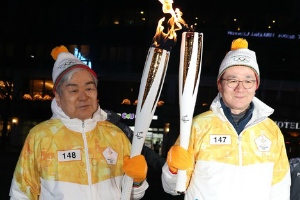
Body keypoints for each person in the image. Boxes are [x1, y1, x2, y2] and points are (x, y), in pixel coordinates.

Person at [9, 46, 148, 200]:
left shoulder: (115, 135)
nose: (83, 97)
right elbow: (21, 195)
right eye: (74, 90)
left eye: (89, 88)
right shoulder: (41, 137)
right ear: (58, 98)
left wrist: (137, 180)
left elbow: (132, 194)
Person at [162, 38, 291, 200]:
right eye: (232, 80)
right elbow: (174, 188)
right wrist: (174, 170)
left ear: (256, 86)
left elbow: (280, 188)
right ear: (220, 85)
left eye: (248, 81)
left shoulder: (271, 131)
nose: (240, 88)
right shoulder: (198, 126)